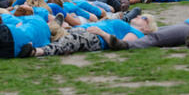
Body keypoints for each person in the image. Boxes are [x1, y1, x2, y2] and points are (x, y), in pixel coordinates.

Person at [18, 13, 157, 57]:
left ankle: (37, 51)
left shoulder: (136, 33)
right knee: (51, 32)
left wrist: (101, 32)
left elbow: (122, 45)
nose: (139, 16)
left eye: (144, 18)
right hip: (84, 30)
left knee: (71, 40)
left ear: (147, 28)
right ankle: (29, 43)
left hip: (97, 38)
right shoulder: (129, 26)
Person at [108, 13, 189, 51]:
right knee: (152, 32)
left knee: (157, 37)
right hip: (188, 26)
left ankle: (125, 45)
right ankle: (126, 39)